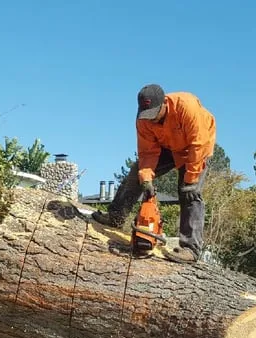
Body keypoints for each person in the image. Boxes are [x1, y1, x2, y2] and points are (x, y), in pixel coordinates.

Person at [92, 84, 217, 263]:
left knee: (189, 192)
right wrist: (146, 179)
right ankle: (116, 216)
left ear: (164, 103)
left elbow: (198, 145)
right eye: (146, 115)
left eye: (154, 115)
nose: (150, 119)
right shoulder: (143, 120)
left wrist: (190, 179)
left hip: (196, 147)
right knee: (137, 172)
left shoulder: (186, 107)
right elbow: (147, 153)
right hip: (168, 146)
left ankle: (190, 249)